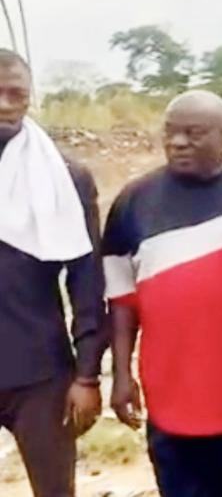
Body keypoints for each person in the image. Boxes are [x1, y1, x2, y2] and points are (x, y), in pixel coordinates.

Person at [102, 90, 222, 496]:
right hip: (170, 388)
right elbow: (121, 301)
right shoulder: (132, 203)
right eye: (170, 132)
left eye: (194, 133)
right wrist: (123, 375)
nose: (178, 142)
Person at [0, 49, 107, 497]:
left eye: (16, 94)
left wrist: (87, 375)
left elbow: (87, 282)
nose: (5, 104)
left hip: (40, 375)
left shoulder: (62, 178)